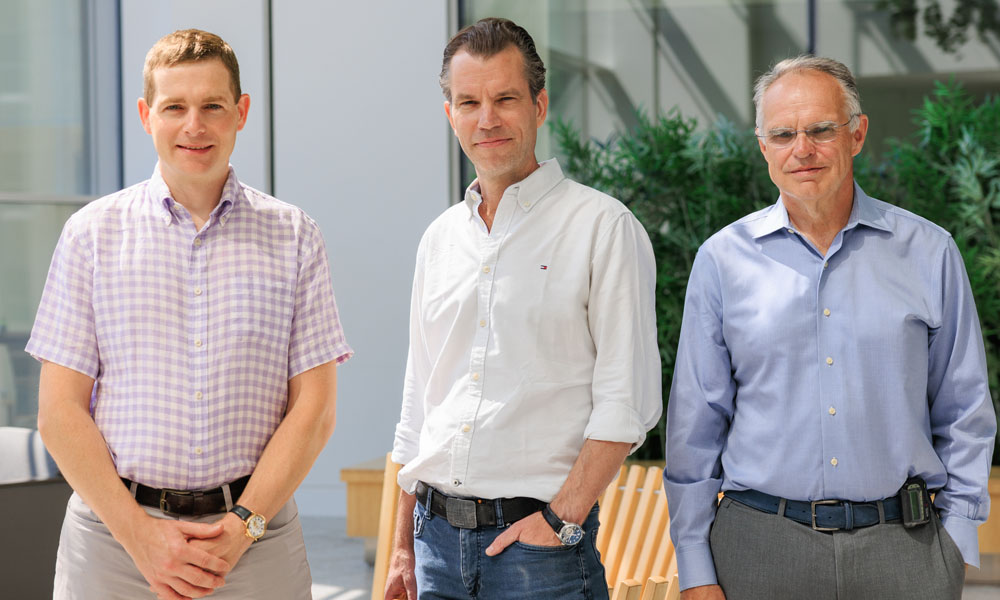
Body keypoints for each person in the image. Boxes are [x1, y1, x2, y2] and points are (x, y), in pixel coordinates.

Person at [28, 29, 352, 600]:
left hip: (258, 542)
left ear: (241, 112)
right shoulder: (90, 236)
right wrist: (140, 538)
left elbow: (315, 409)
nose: (194, 126)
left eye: (212, 107)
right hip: (112, 543)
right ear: (146, 115)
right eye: (175, 107)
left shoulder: (296, 236)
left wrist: (241, 527)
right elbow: (58, 413)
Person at [664, 55, 996, 600]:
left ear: (857, 134)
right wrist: (696, 568)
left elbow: (964, 410)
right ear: (762, 145)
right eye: (784, 133)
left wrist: (953, 543)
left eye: (821, 129)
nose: (803, 149)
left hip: (905, 551)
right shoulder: (721, 260)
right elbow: (694, 429)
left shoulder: (929, 252)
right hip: (758, 550)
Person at [384, 17, 662, 600]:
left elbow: (627, 402)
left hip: (541, 555)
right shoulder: (439, 239)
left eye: (504, 99)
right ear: (450, 115)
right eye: (469, 102)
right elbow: (419, 402)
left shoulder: (602, 228)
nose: (487, 119)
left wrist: (560, 519)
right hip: (432, 547)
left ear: (539, 104)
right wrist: (402, 548)